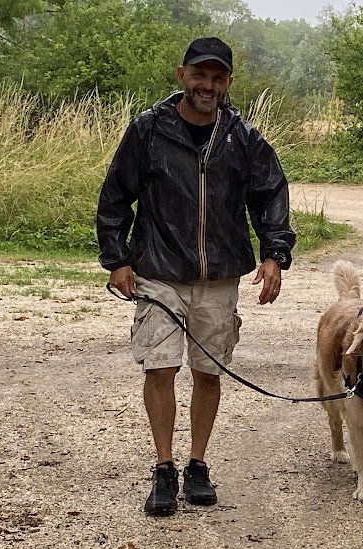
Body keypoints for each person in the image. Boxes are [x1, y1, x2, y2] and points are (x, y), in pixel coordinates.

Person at [96, 37, 296, 516]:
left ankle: (197, 465)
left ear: (227, 83)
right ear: (181, 75)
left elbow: (271, 194)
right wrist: (118, 259)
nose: (209, 85)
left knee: (209, 372)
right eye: (200, 75)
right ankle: (163, 469)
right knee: (160, 366)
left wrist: (274, 253)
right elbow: (115, 197)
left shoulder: (243, 138)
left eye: (218, 77)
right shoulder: (147, 130)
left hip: (221, 275)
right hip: (159, 270)